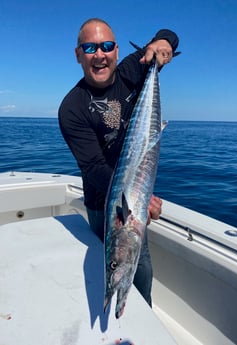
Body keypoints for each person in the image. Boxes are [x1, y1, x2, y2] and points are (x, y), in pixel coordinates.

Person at [58, 18, 179, 306]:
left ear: (115, 50)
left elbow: (168, 35)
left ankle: (144, 316)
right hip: (104, 205)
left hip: (132, 201)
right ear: (78, 54)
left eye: (106, 46)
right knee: (109, 261)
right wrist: (137, 198)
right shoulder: (72, 108)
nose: (99, 54)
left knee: (142, 267)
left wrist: (163, 43)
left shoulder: (130, 70)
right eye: (89, 48)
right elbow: (93, 168)